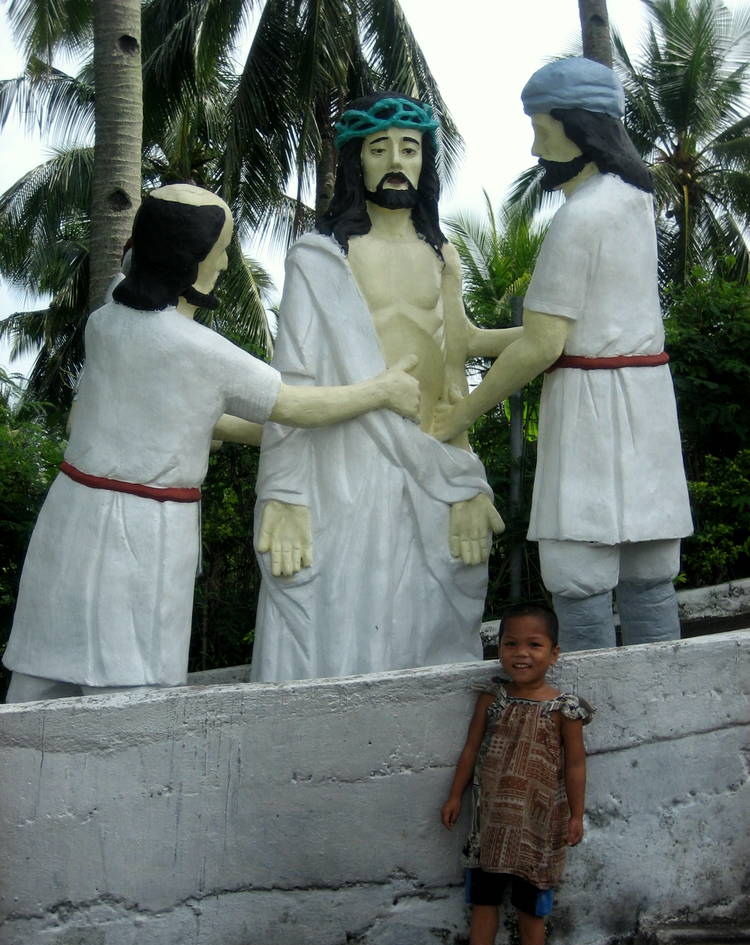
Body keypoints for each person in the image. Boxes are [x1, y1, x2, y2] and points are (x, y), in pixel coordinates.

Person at [3, 184, 420, 703]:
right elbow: (297, 407)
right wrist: (383, 390)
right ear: (191, 259)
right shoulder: (199, 351)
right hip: (145, 529)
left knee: (39, 674)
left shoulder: (108, 316)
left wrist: (225, 430)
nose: (224, 266)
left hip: (71, 510)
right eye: (220, 253)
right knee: (134, 685)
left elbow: (173, 409)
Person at [433, 58, 693, 653]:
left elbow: (546, 345)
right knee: (651, 573)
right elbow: (588, 329)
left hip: (591, 413)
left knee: (580, 577)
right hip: (644, 400)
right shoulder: (632, 201)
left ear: (577, 128)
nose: (534, 147)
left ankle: (586, 722)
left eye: (541, 129)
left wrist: (459, 415)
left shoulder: (581, 217)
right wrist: (476, 341)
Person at [251, 93, 507, 682]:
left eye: (410, 148)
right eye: (378, 148)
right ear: (355, 163)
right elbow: (294, 380)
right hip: (336, 465)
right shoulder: (319, 258)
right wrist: (286, 494)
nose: (395, 159)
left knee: (426, 628)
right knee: (331, 622)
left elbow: (453, 370)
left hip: (426, 462)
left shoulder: (443, 257)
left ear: (426, 162)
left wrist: (464, 480)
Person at [441, 604, 593, 945]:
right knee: (483, 901)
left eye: (534, 644)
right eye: (511, 644)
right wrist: (455, 794)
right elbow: (471, 749)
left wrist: (577, 815)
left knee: (532, 907)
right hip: (490, 823)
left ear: (554, 653)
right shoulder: (492, 697)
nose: (521, 653)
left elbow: (575, 766)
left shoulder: (565, 709)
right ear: (500, 649)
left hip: (538, 828)